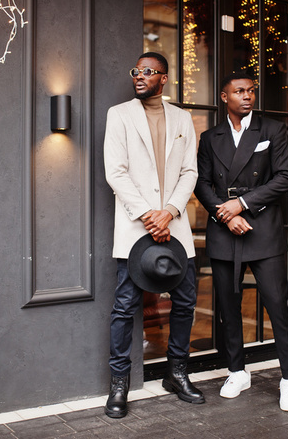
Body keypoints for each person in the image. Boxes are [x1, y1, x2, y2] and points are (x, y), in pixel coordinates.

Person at [103, 52, 204, 418]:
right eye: (136, 71)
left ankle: (177, 374)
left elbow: (190, 172)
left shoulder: (182, 117)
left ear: (164, 78)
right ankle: (118, 385)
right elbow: (115, 172)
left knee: (185, 303)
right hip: (135, 228)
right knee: (124, 307)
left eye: (148, 71)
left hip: (174, 227)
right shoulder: (120, 114)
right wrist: (149, 216)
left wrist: (170, 212)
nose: (139, 76)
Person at [194, 72, 288, 411]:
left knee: (277, 306)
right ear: (224, 97)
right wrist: (225, 214)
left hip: (263, 228)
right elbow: (202, 184)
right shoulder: (211, 137)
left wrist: (242, 204)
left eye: (251, 91)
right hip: (225, 230)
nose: (247, 96)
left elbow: (286, 176)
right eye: (239, 91)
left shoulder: (272, 130)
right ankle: (237, 371)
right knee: (228, 308)